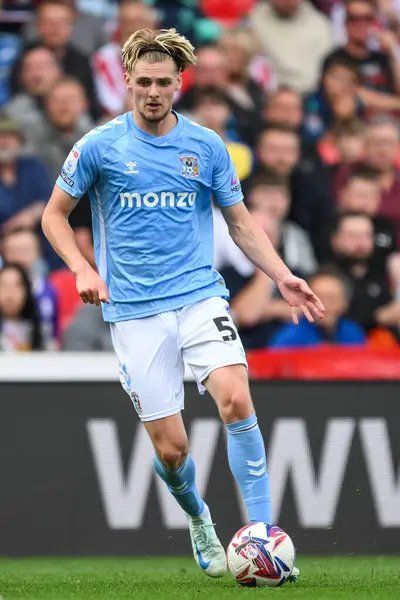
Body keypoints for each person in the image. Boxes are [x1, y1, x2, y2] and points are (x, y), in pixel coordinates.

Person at [41, 27, 324, 580]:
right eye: (142, 82)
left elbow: (240, 224)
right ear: (126, 81)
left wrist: (284, 275)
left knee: (236, 397)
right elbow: (54, 214)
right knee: (172, 451)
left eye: (163, 83)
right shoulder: (99, 146)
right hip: (134, 311)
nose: (152, 91)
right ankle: (199, 516)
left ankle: (262, 535)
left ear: (179, 83)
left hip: (198, 296)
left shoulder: (206, 145)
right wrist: (81, 267)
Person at [269, 268, 366, 347]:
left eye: (332, 299)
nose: (324, 306)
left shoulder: (353, 333)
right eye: (317, 298)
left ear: (345, 303)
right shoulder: (289, 338)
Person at [0, 262, 44, 351]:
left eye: (16, 286)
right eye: (3, 286)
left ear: (26, 291)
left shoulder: (36, 328)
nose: (9, 295)